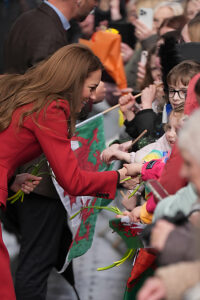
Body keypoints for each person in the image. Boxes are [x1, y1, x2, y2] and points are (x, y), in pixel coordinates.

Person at [0, 44, 126, 300]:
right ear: (72, 80)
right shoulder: (52, 108)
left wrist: (11, 177)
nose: (92, 97)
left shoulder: (22, 90)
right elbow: (73, 181)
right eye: (91, 88)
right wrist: (120, 176)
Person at [3, 1, 98, 299]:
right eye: (90, 88)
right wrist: (119, 175)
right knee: (36, 260)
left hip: (23, 172)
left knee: (35, 255)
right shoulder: (48, 35)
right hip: (40, 176)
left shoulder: (29, 20)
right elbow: (50, 104)